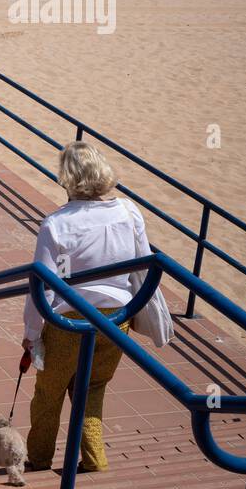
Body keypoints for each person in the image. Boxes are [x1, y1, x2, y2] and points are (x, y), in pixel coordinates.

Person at [22, 142, 152, 472]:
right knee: (92, 388)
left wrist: (31, 333)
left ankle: (38, 459)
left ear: (67, 178)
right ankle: (94, 458)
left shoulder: (57, 224)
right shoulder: (128, 211)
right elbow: (144, 265)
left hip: (68, 321)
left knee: (49, 394)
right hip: (116, 319)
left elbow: (42, 286)